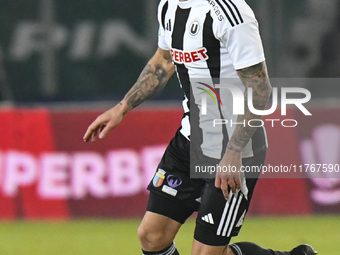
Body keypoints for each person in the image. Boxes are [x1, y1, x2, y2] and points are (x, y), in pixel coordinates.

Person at [84, 0, 317, 254]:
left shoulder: (231, 12)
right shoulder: (168, 5)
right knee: (152, 236)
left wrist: (233, 152)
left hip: (235, 147)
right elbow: (163, 61)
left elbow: (260, 91)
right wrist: (122, 107)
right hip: (190, 140)